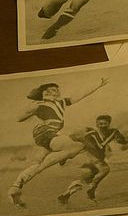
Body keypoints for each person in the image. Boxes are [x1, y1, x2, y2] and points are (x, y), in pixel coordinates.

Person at [7, 77, 109, 208]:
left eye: (57, 90)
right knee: (85, 136)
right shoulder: (40, 105)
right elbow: (19, 118)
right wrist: (31, 109)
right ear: (45, 92)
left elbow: (80, 95)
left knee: (42, 164)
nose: (56, 92)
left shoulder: (60, 102)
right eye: (52, 90)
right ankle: (75, 163)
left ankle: (15, 187)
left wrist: (98, 85)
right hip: (46, 135)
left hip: (52, 137)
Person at [57, 114, 128, 204]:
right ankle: (91, 189)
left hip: (93, 160)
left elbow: (122, 141)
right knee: (105, 169)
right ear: (96, 124)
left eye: (104, 124)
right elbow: (74, 139)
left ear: (109, 124)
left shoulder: (111, 132)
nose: (101, 126)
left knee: (86, 178)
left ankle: (66, 195)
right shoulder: (91, 133)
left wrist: (124, 142)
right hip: (91, 159)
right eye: (99, 124)